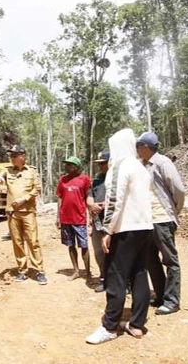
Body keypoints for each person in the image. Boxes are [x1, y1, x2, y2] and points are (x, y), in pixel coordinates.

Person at [86, 129, 153, 345]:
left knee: (116, 275)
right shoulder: (140, 167)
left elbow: (115, 199)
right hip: (144, 227)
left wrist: (107, 230)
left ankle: (110, 326)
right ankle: (136, 324)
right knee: (140, 273)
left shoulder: (120, 165)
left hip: (125, 229)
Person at [136, 132, 186, 315]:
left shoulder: (162, 163)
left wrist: (174, 211)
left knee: (170, 260)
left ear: (146, 147)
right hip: (147, 220)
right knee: (150, 260)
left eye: (139, 146)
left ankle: (172, 301)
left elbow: (178, 190)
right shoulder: (141, 166)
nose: (137, 149)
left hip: (162, 218)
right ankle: (160, 295)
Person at [0, 145, 47, 285]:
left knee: (33, 241)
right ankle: (22, 270)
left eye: (14, 156)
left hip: (28, 212)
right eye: (11, 156)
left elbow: (37, 190)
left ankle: (40, 271)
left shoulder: (31, 171)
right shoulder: (7, 171)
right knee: (17, 243)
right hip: (12, 213)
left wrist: (23, 199)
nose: (12, 158)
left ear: (22, 156)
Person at [55, 156, 92, 282]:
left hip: (79, 219)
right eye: (65, 164)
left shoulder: (84, 179)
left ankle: (88, 273)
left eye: (69, 165)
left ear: (75, 167)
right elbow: (59, 198)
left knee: (84, 246)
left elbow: (89, 197)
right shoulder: (63, 180)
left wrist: (91, 215)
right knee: (70, 245)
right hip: (66, 219)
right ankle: (76, 270)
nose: (66, 167)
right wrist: (58, 216)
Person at [86, 150, 110, 293]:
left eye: (103, 163)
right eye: (99, 164)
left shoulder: (117, 179)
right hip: (97, 221)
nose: (100, 166)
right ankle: (104, 279)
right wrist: (92, 205)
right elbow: (89, 196)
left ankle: (123, 282)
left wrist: (106, 205)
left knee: (115, 252)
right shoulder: (96, 180)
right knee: (99, 252)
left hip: (113, 222)